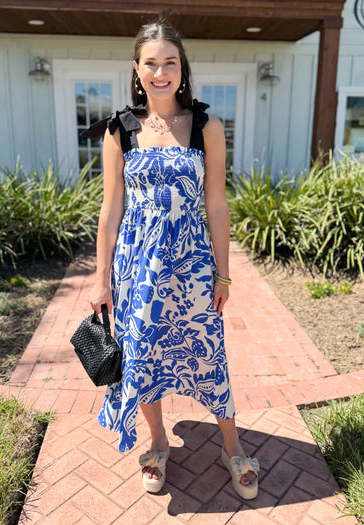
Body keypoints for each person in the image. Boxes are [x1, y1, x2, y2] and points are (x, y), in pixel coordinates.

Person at [84, 20, 259, 499]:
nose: (160, 72)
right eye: (151, 63)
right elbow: (111, 207)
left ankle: (232, 445)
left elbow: (217, 204)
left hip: (193, 266)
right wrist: (102, 278)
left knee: (209, 357)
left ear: (183, 69)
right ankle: (158, 442)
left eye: (170, 62)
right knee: (143, 354)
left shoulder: (207, 126)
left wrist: (224, 273)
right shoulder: (120, 129)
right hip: (137, 268)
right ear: (136, 70)